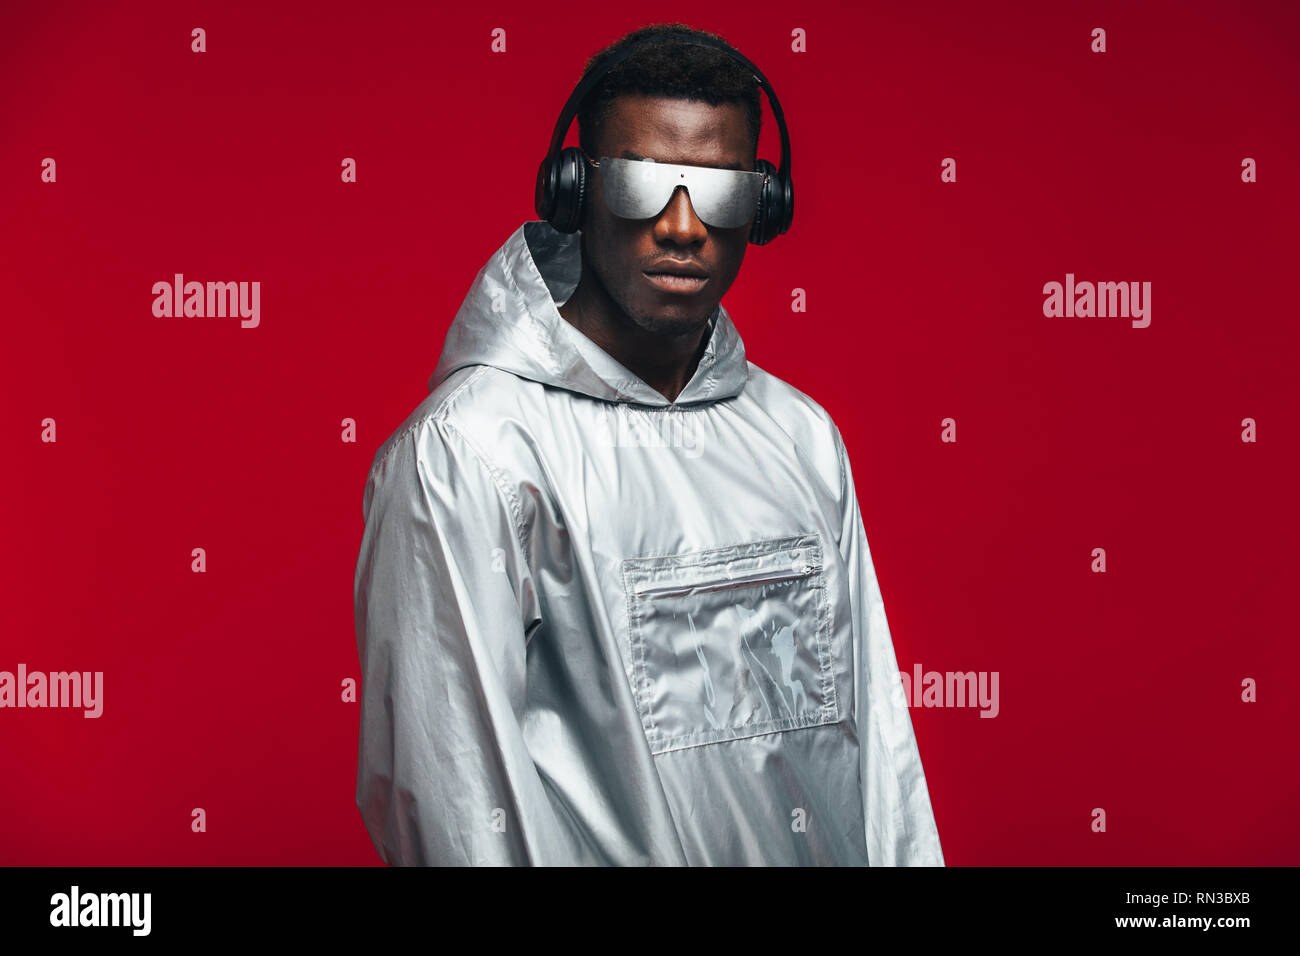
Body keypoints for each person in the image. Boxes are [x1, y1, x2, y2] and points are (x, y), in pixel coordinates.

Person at [353, 22, 944, 866]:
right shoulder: (471, 453)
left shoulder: (802, 438)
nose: (680, 225)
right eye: (641, 183)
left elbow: (879, 750)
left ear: (764, 208)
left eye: (719, 192)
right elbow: (451, 798)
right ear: (574, 191)